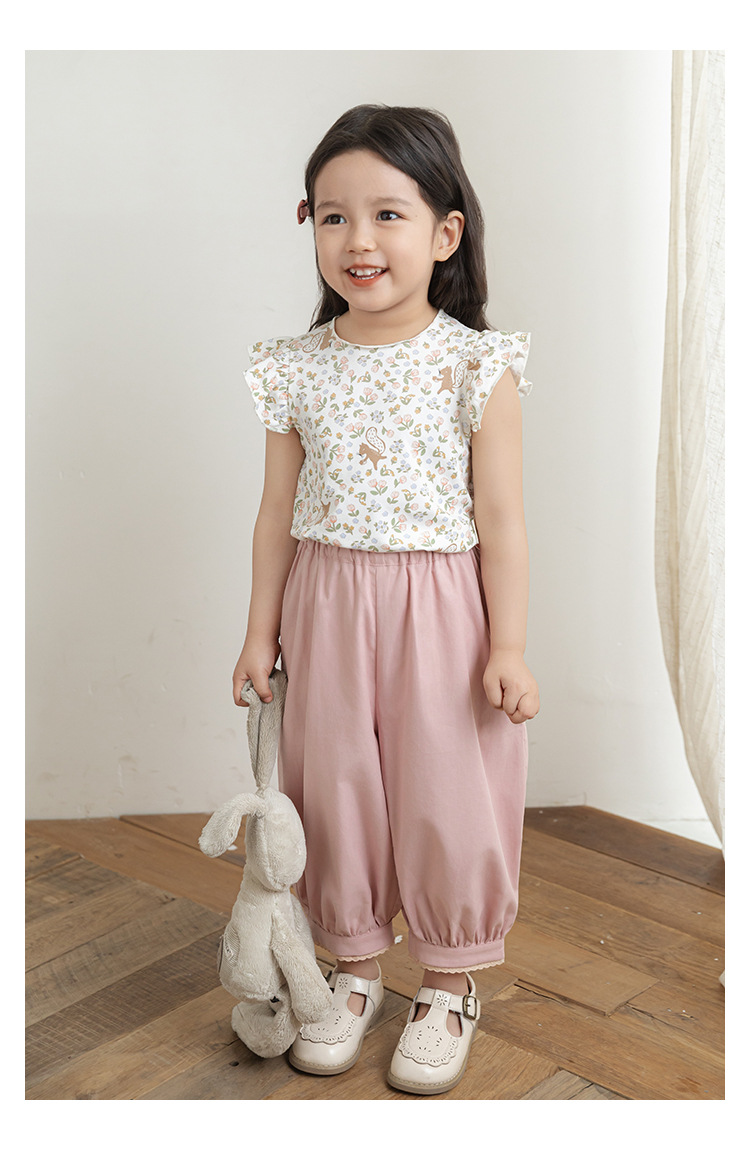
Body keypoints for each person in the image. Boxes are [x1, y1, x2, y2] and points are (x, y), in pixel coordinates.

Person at [232, 104, 540, 1097]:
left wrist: (508, 647)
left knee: (449, 788)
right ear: (309, 226)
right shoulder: (295, 367)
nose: (358, 240)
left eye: (387, 215)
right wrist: (260, 631)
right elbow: (275, 512)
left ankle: (447, 983)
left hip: (442, 609)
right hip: (327, 602)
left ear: (445, 233)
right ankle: (356, 965)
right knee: (336, 786)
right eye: (334, 216)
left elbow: (503, 519)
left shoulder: (476, 365)